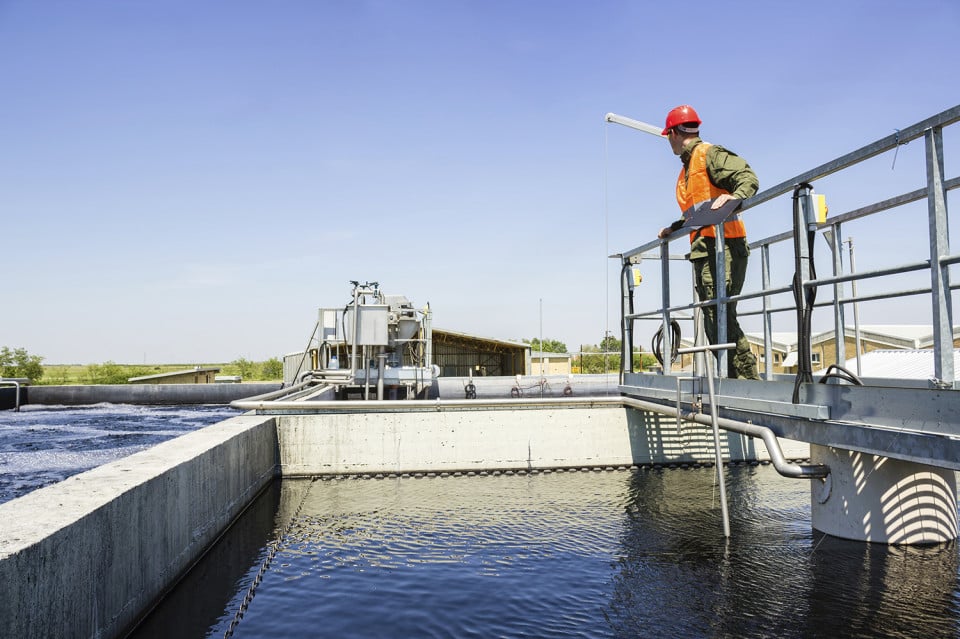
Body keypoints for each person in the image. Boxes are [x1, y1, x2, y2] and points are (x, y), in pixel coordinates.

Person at [657, 104, 760, 380]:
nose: (668, 141)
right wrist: (675, 228)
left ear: (676, 133)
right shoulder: (688, 170)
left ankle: (746, 380)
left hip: (723, 247)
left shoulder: (709, 155)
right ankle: (732, 377)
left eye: (669, 135)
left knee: (720, 316)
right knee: (715, 318)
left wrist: (735, 196)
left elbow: (748, 177)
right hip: (705, 249)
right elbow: (696, 211)